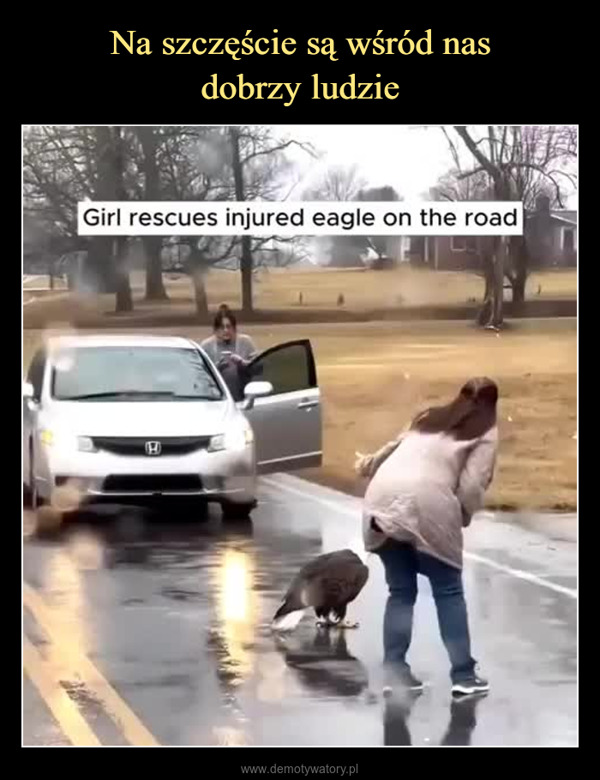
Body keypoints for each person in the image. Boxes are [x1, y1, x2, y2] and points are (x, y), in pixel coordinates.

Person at [355, 377, 499, 697]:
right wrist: (461, 515)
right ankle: (463, 675)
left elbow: (391, 448)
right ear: (492, 406)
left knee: (401, 591)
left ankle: (395, 670)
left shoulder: (429, 417)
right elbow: (473, 485)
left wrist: (367, 465)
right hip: (427, 502)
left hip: (380, 500)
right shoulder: (485, 431)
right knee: (447, 590)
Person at [201, 307, 258, 399]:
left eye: (228, 326)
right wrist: (216, 369)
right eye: (222, 327)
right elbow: (200, 376)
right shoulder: (207, 346)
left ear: (234, 328)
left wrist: (242, 364)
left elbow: (258, 369)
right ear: (215, 330)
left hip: (243, 395)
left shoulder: (246, 342)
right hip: (217, 398)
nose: (226, 330)